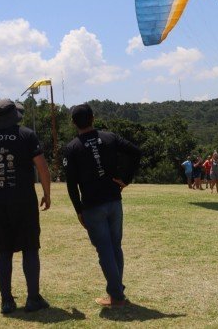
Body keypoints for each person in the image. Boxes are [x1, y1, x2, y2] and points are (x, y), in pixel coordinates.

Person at [0, 99, 51, 314]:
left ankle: (6, 301)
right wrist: (47, 193)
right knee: (30, 248)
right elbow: (42, 167)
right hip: (24, 198)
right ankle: (33, 298)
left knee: (3, 250)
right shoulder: (25, 134)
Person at [63, 103, 141, 307]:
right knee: (115, 247)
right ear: (93, 118)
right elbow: (136, 152)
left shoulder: (72, 148)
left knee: (105, 250)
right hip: (114, 201)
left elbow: (71, 184)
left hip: (92, 205)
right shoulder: (110, 137)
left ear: (74, 123)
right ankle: (117, 292)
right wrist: (126, 178)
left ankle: (116, 295)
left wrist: (78, 210)